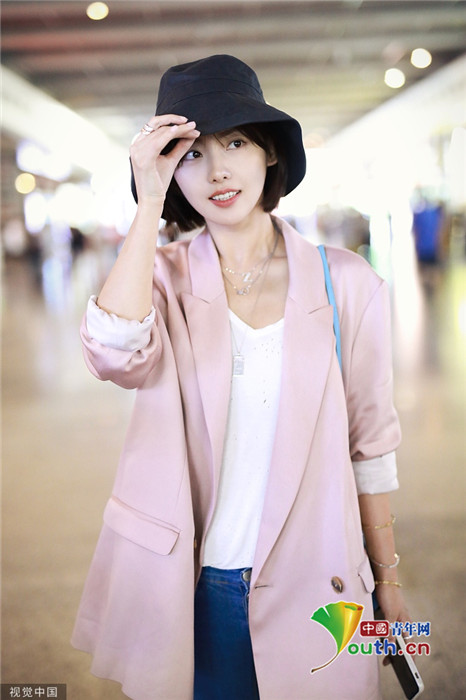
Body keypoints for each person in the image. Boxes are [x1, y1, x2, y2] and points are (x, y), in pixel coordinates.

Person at [72, 55, 410, 700]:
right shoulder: (161, 278)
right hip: (193, 584)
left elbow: (370, 451)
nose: (217, 172)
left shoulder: (347, 283)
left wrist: (389, 582)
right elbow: (114, 352)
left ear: (270, 153)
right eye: (191, 155)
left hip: (321, 585)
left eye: (234, 144)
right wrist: (148, 204)